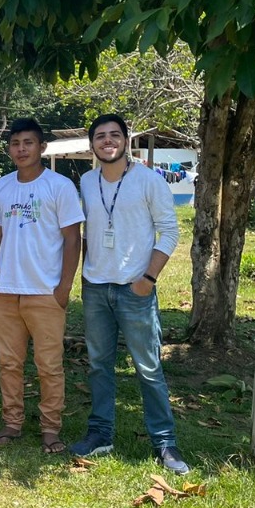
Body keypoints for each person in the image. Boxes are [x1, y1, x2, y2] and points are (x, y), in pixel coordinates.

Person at [71, 113, 189, 474]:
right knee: (98, 366)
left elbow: (169, 231)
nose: (108, 141)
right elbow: (88, 232)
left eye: (114, 135)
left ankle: (165, 443)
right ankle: (101, 434)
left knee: (149, 367)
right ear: (92, 144)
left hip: (136, 289)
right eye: (101, 136)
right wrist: (88, 272)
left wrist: (148, 279)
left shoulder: (148, 181)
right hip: (95, 288)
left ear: (126, 140)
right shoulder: (87, 182)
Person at [0, 118, 83, 453]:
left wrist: (64, 288)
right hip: (5, 291)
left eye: (29, 143)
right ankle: (12, 423)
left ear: (41, 147)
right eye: (15, 143)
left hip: (45, 291)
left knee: (48, 365)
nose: (21, 149)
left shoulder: (60, 186)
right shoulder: (1, 187)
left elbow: (73, 240)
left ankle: (50, 429)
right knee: (8, 362)